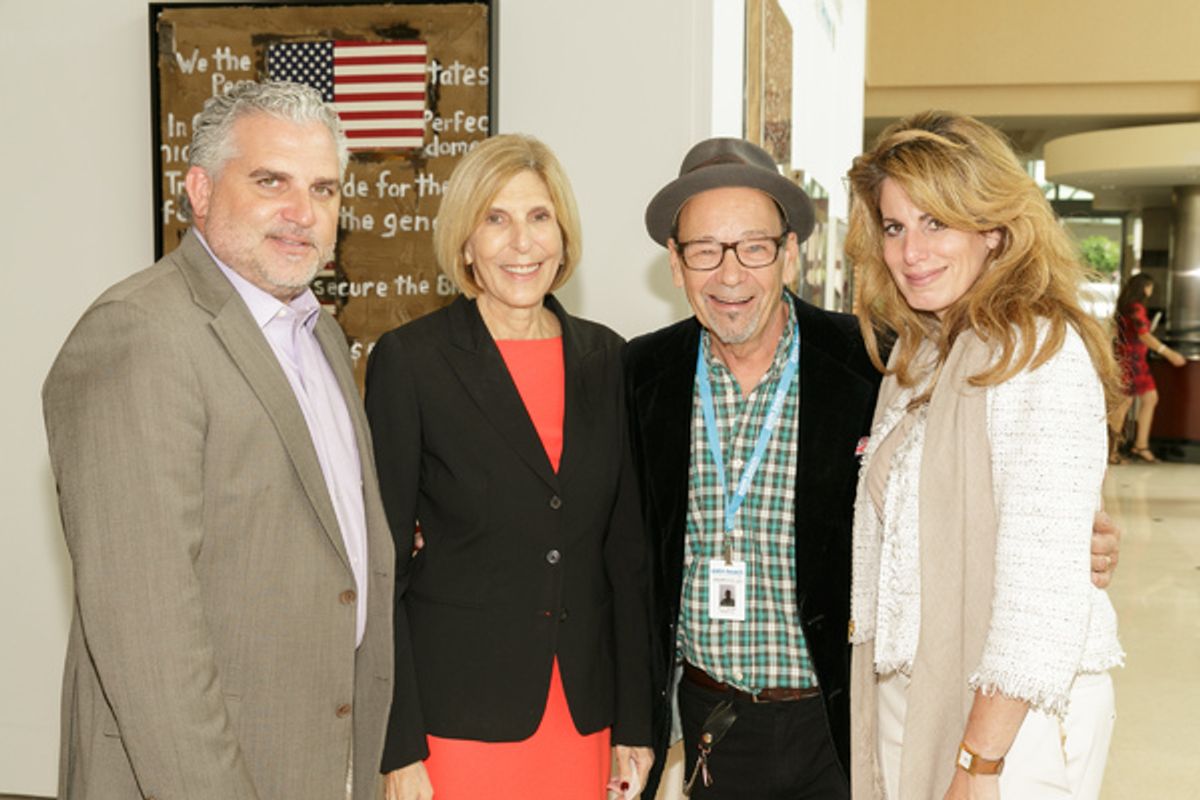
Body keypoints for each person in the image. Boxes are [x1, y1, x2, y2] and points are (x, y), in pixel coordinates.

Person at [625, 137, 1124, 800]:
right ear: (676, 262)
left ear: (791, 252)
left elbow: (1008, 486)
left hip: (839, 720)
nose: (730, 274)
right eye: (705, 251)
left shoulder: (872, 360)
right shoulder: (639, 374)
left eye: (753, 246)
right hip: (715, 718)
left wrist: (1070, 541)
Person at [43, 81, 402, 799]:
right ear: (199, 190)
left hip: (317, 762)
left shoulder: (320, 334)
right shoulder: (140, 333)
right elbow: (147, 636)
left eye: (325, 189)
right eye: (271, 181)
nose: (303, 213)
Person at [844, 111, 1125, 799]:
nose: (912, 251)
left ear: (994, 229)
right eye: (895, 226)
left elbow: (1041, 595)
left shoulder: (1037, 353)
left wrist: (979, 762)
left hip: (1010, 719)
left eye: (937, 222)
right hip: (919, 690)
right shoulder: (919, 354)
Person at [364, 133, 654, 800]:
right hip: (455, 722)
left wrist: (634, 727)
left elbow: (626, 558)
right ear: (465, 243)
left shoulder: (607, 360)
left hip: (583, 722)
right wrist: (398, 746)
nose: (521, 243)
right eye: (495, 220)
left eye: (538, 217)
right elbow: (384, 569)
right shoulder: (411, 363)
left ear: (563, 234)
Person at [1109, 272, 1187, 462]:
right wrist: (1169, 353)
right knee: (1123, 404)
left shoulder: (1126, 306)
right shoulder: (1136, 308)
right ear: (1145, 288)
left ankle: (1139, 446)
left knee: (1148, 398)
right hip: (1132, 360)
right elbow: (1143, 335)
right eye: (1150, 287)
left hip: (1133, 360)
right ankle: (1112, 450)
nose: (1151, 291)